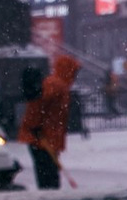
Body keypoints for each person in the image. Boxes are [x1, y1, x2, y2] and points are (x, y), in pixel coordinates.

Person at [18, 55, 80, 189]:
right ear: (68, 70)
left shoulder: (58, 85)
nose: (75, 76)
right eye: (74, 72)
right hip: (41, 139)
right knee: (48, 177)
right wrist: (33, 126)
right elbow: (37, 106)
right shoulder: (55, 85)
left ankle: (50, 199)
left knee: (48, 176)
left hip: (47, 139)